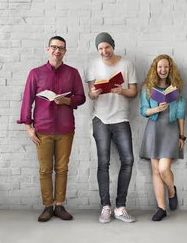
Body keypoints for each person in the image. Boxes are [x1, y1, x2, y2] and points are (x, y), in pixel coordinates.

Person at [17, 36, 86, 222]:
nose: (57, 51)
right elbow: (27, 100)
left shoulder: (72, 73)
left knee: (62, 169)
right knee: (45, 170)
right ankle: (47, 207)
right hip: (42, 129)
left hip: (65, 129)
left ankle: (60, 205)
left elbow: (81, 97)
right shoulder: (36, 73)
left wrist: (65, 100)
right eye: (54, 47)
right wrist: (28, 127)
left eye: (61, 48)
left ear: (65, 51)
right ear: (48, 49)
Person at [86, 32, 138, 224]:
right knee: (103, 162)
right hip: (100, 119)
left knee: (128, 160)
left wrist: (121, 90)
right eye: (100, 48)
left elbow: (134, 91)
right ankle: (105, 206)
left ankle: (120, 207)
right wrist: (93, 93)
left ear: (113, 46)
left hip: (121, 118)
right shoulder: (92, 65)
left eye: (107, 47)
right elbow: (90, 95)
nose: (104, 51)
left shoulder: (127, 64)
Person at [139, 54, 186, 221]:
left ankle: (172, 192)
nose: (163, 70)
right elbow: (143, 110)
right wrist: (157, 109)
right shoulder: (147, 88)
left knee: (163, 169)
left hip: (171, 130)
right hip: (154, 130)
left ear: (170, 68)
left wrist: (182, 136)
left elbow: (181, 114)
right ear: (155, 68)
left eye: (166, 67)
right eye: (160, 67)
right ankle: (161, 208)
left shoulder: (176, 87)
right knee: (155, 171)